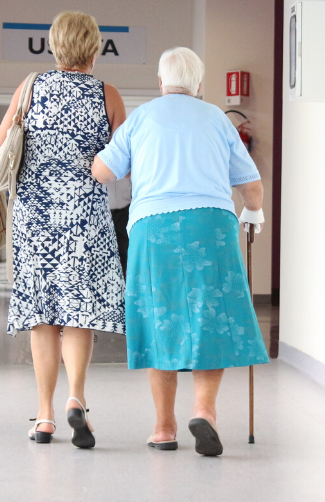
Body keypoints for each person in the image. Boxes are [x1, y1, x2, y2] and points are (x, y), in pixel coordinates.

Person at [92, 47, 269, 457]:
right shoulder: (216, 119)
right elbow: (251, 185)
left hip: (153, 229)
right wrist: (254, 213)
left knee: (160, 318)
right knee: (210, 316)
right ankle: (204, 412)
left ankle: (164, 428)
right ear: (199, 84)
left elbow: (103, 171)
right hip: (212, 225)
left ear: (160, 82)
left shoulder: (142, 117)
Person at [0, 11, 126, 449]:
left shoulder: (30, 88)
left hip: (35, 217)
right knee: (79, 312)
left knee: (41, 315)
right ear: (95, 47)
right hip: (85, 216)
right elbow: (120, 163)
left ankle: (44, 416)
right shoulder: (108, 95)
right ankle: (76, 399)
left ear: (54, 46)